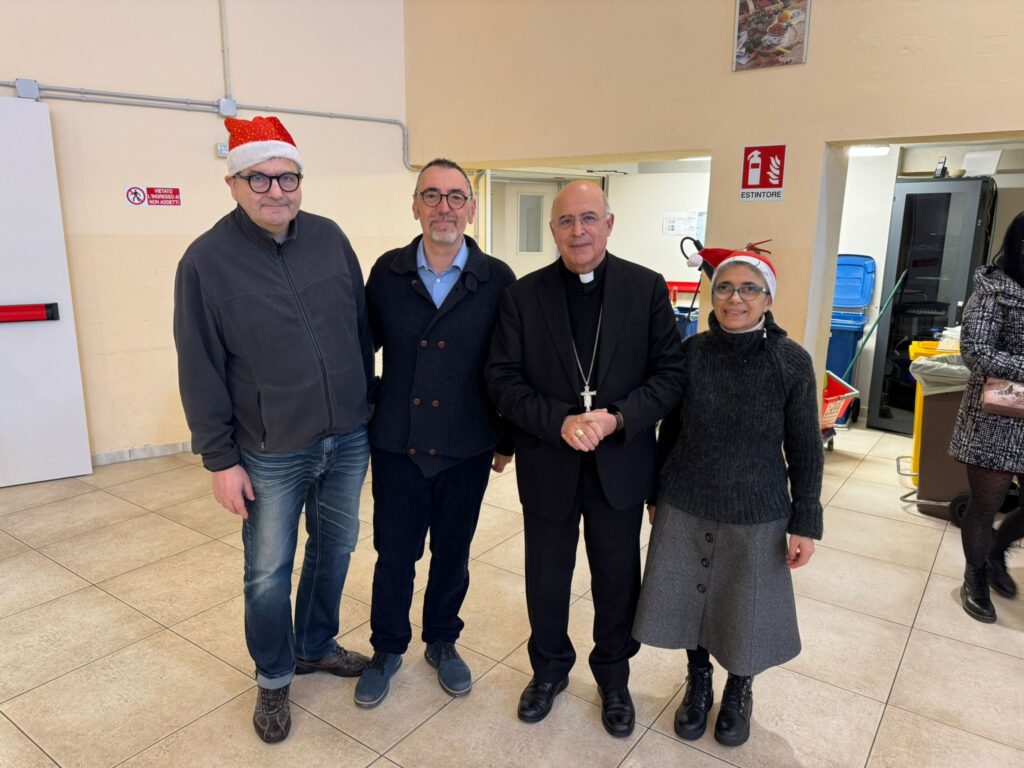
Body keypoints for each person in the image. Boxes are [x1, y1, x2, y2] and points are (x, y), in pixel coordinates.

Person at [174, 116, 372, 743]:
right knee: (267, 569)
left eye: (287, 178)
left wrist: (364, 402)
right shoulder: (206, 261)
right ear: (233, 184)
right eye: (259, 178)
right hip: (269, 449)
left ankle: (314, 644)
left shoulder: (329, 238)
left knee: (335, 548)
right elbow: (199, 365)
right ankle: (274, 675)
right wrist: (219, 459)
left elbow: (359, 329)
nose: (276, 191)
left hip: (347, 437)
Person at [485, 181, 686, 737]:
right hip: (548, 461)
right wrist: (560, 421)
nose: (579, 231)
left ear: (609, 224)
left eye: (589, 218)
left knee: (617, 578)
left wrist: (616, 417)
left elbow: (670, 376)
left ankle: (614, 677)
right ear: (553, 229)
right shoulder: (523, 296)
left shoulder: (646, 288)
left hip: (620, 463)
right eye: (567, 221)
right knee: (546, 577)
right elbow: (502, 380)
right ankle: (548, 670)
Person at [633, 251, 823, 749]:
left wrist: (806, 520)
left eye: (749, 289)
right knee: (691, 600)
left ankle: (740, 688)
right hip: (687, 498)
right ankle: (698, 681)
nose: (734, 298)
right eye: (724, 288)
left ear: (768, 299)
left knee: (744, 604)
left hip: (757, 508)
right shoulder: (691, 352)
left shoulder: (791, 362)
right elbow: (669, 430)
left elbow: (806, 446)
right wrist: (655, 494)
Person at [354, 159, 516, 707]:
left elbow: (509, 365)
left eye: (454, 197)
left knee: (453, 551)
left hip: (466, 444)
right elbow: (361, 347)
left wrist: (506, 438)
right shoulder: (388, 271)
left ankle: (442, 640)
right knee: (394, 554)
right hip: (397, 443)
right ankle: (386, 647)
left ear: (471, 208)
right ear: (415, 206)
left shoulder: (497, 279)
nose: (443, 207)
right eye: (431, 195)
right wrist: (366, 406)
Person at [949, 211, 1024, 623]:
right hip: (996, 418)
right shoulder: (994, 290)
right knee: (985, 505)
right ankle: (975, 576)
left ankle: (995, 551)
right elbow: (976, 352)